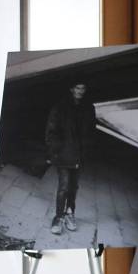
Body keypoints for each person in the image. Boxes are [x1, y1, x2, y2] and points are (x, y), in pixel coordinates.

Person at [45, 81, 96, 235]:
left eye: (83, 88)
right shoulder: (60, 107)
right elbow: (51, 131)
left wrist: (86, 150)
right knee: (64, 187)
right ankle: (58, 217)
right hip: (63, 154)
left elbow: (91, 131)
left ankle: (70, 214)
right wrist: (55, 151)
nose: (80, 91)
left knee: (74, 187)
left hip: (78, 156)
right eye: (78, 88)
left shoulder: (88, 108)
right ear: (71, 88)